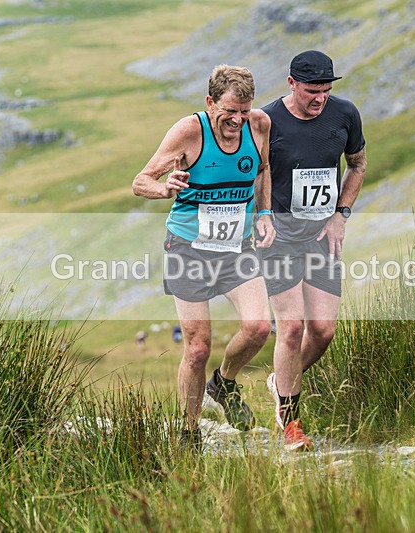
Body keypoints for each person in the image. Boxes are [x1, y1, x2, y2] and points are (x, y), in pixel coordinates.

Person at [132, 65, 276, 448]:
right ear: (210, 103)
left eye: (244, 112)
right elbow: (140, 181)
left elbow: (263, 170)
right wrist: (165, 189)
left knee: (260, 327)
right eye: (230, 111)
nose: (237, 120)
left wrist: (263, 213)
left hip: (236, 248)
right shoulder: (189, 132)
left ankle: (224, 384)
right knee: (197, 348)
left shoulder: (259, 125)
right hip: (189, 249)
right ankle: (189, 432)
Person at [259, 50, 367, 451]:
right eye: (310, 91)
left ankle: (280, 381)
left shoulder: (345, 114)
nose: (319, 98)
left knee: (323, 331)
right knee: (290, 327)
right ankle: (290, 424)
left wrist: (341, 213)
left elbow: (357, 165)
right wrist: (262, 215)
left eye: (325, 90)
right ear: (291, 84)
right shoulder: (268, 120)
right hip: (281, 237)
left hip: (322, 236)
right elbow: (257, 172)